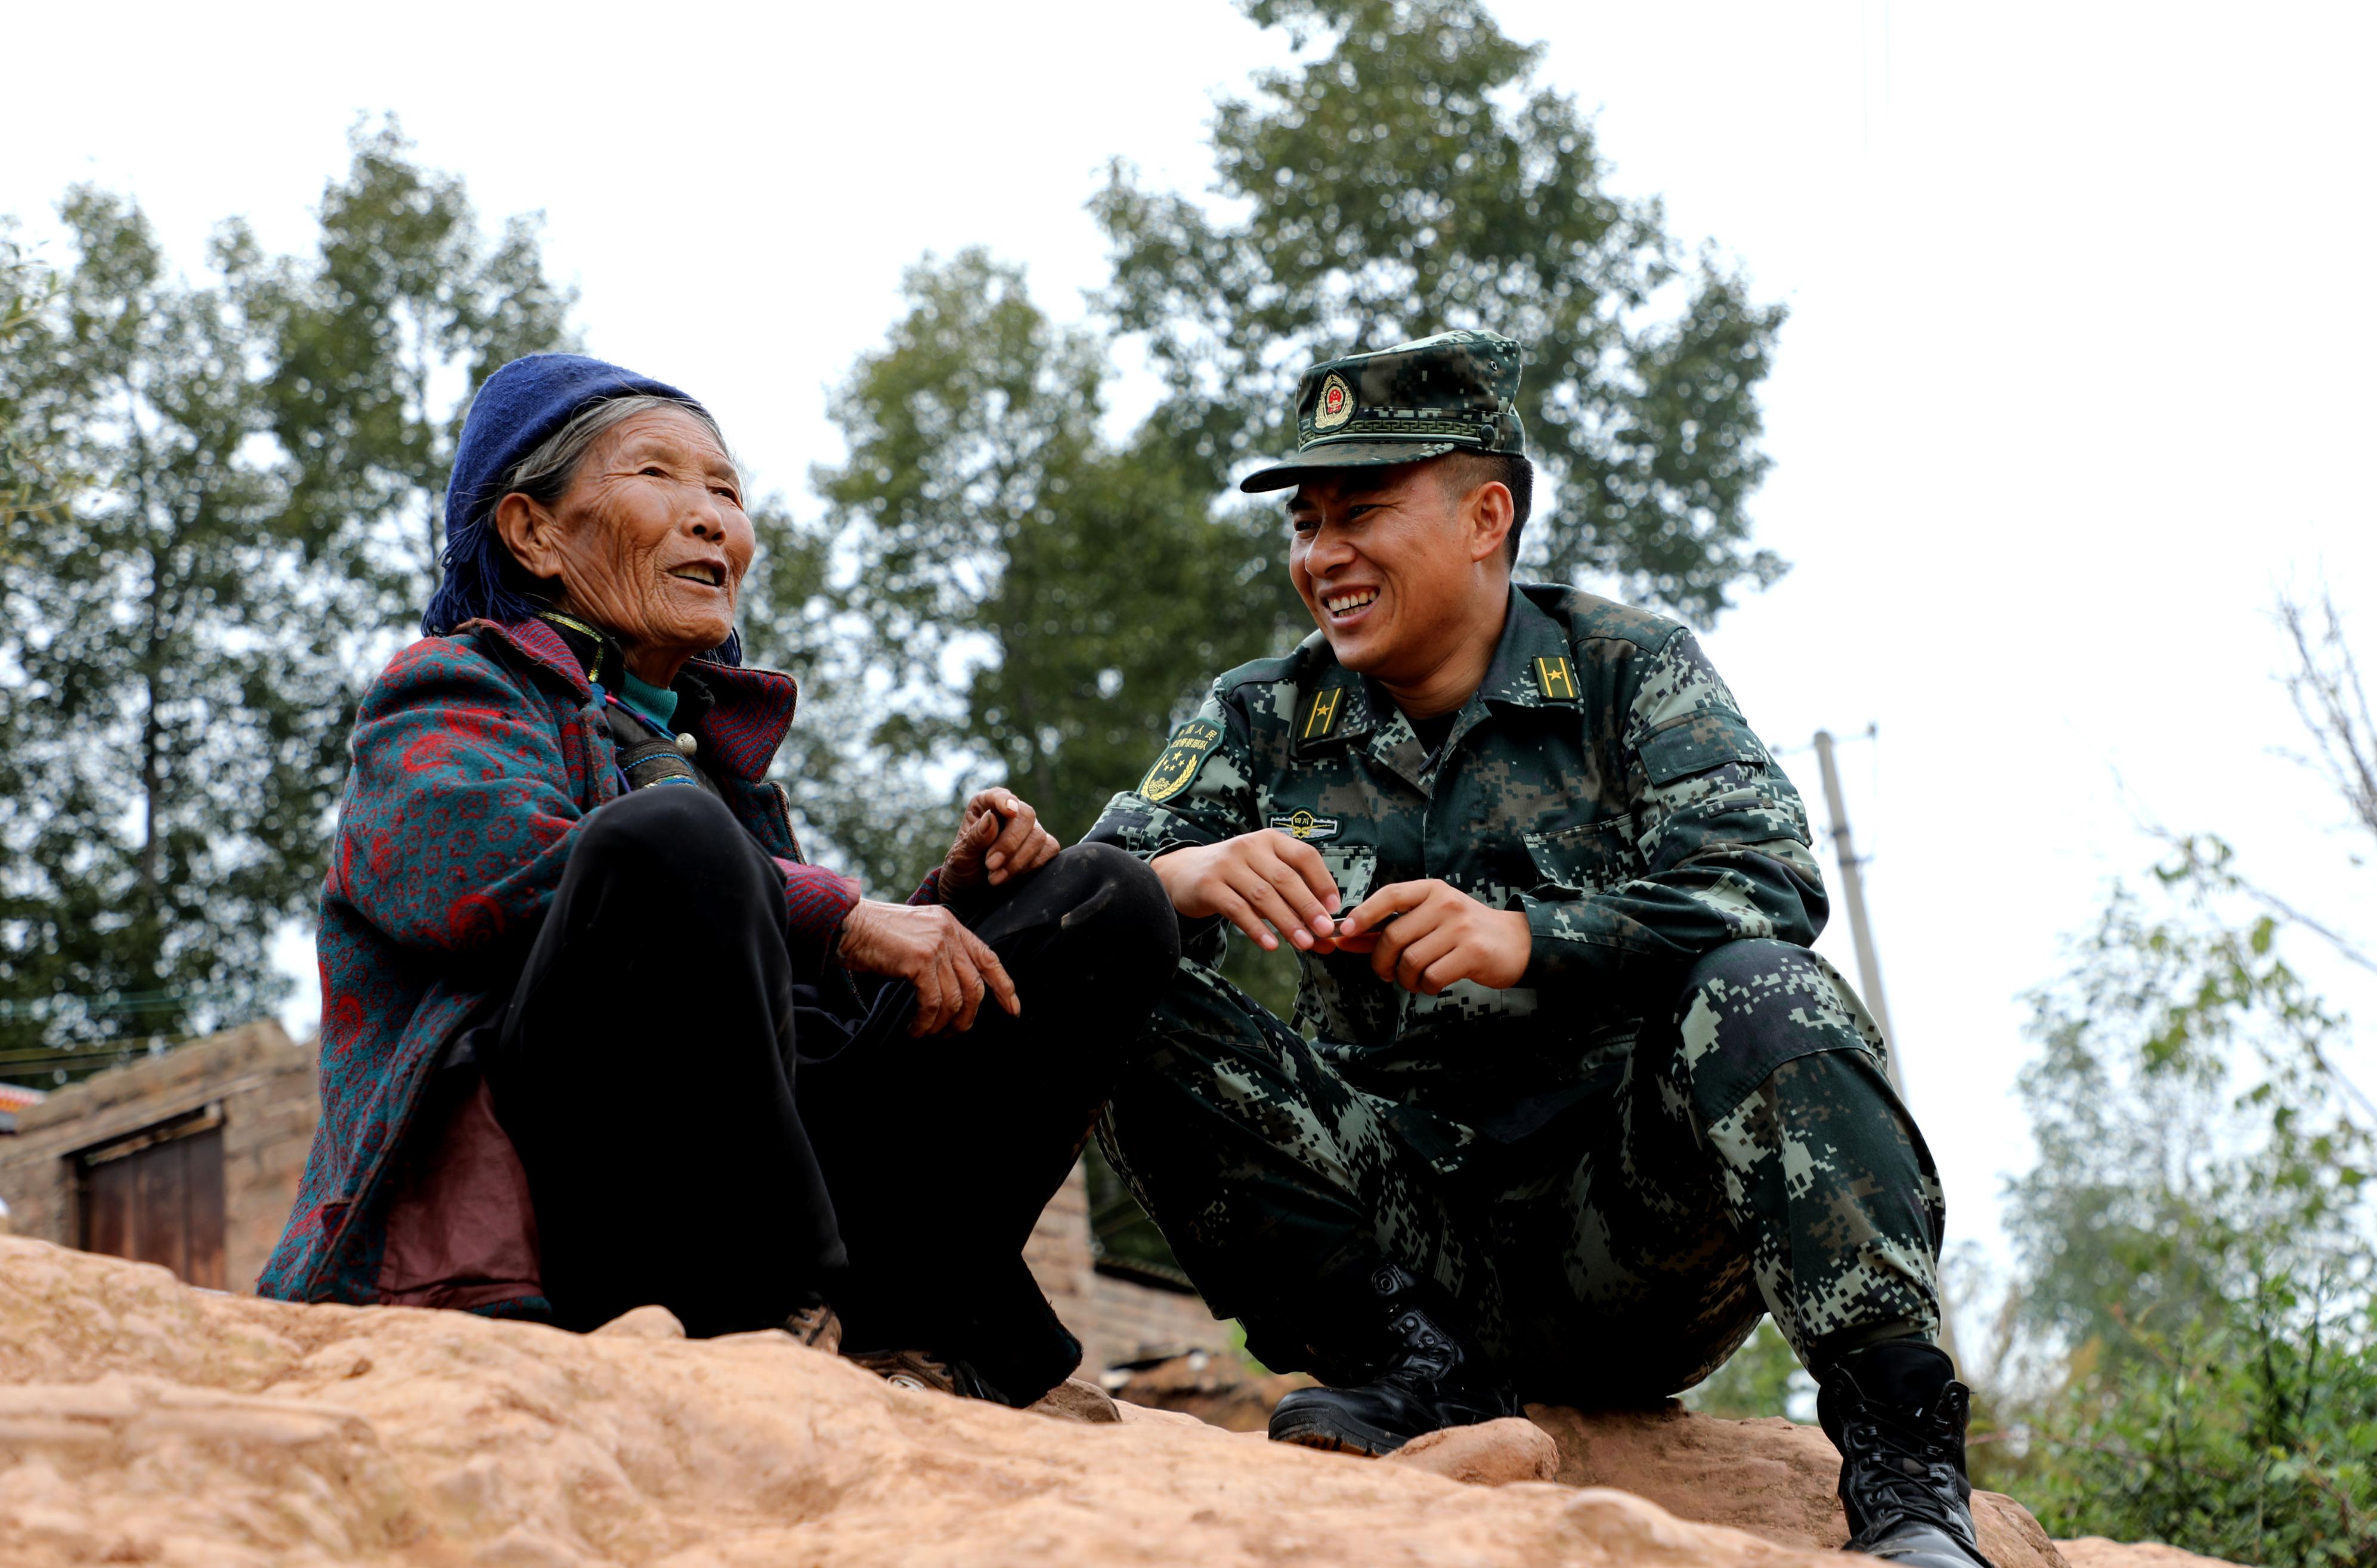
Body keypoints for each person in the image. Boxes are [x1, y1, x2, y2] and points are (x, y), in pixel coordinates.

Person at [1085, 331, 1992, 1566]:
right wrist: (1174, 878)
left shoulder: (1627, 669)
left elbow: (1768, 878)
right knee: (1111, 971)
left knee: (1764, 989)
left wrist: (1529, 939)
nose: (1321, 556)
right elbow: (1065, 913)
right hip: (1396, 1239)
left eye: (1363, 511)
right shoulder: (1261, 712)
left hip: (1625, 1237)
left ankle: (1902, 1466)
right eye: (1304, 523)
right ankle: (1417, 1373)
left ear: (1485, 515)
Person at [261, 354, 1178, 1408]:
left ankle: (911, 1325)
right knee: (672, 840)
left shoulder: (701, 759)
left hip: (755, 1186)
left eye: (728, 492)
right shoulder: (449, 689)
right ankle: (768, 1307)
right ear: (533, 532)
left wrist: (949, 910)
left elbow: (789, 1029)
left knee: (1105, 903)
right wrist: (834, 913)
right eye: (659, 475)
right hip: (577, 1206)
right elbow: (475, 874)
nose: (711, 519)